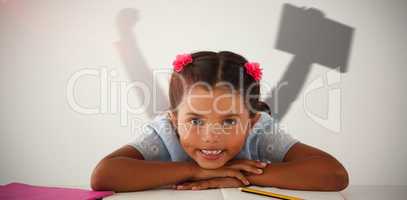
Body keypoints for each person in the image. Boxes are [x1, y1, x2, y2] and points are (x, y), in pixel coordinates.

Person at [90, 51, 348, 192]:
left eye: (228, 122)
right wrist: (194, 170)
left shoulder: (260, 131)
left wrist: (239, 177)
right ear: (174, 119)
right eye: (195, 121)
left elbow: (333, 175)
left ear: (251, 120)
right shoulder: (164, 133)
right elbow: (104, 175)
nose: (211, 136)